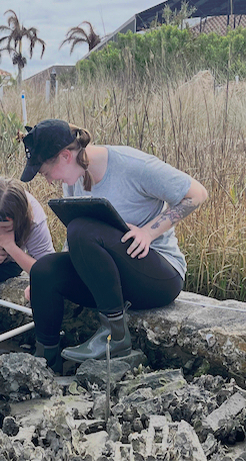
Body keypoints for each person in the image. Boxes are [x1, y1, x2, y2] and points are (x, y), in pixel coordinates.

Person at [19, 119, 208, 372]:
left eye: (46, 173)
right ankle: (45, 362)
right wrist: (51, 282)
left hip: (158, 276)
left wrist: (148, 232)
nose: (49, 181)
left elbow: (197, 194)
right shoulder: (73, 179)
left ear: (65, 156)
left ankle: (114, 335)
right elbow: (74, 243)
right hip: (111, 283)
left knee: (81, 229)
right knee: (43, 270)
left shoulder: (133, 165)